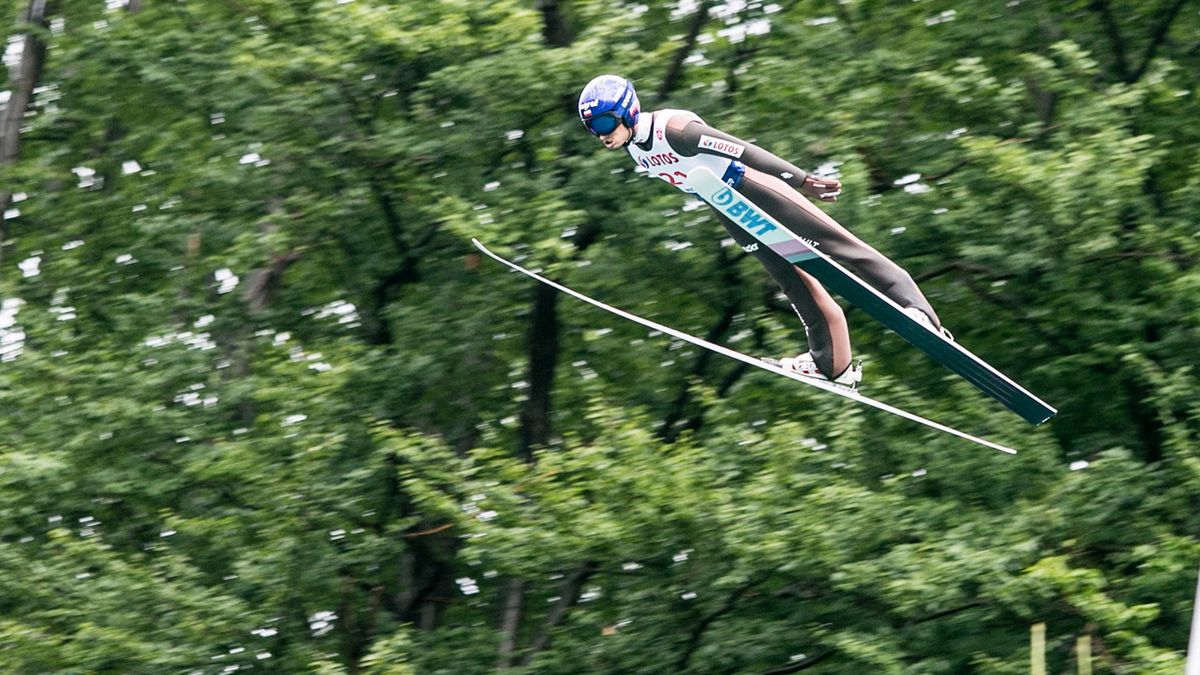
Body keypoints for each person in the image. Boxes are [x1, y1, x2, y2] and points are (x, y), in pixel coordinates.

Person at [577, 74, 950, 388]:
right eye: (593, 129)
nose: (601, 135)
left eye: (606, 124)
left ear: (628, 111)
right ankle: (831, 364)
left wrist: (801, 180)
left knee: (840, 247)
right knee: (791, 280)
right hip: (725, 207)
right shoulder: (634, 150)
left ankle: (919, 313)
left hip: (753, 187)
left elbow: (743, 151)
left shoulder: (676, 130)